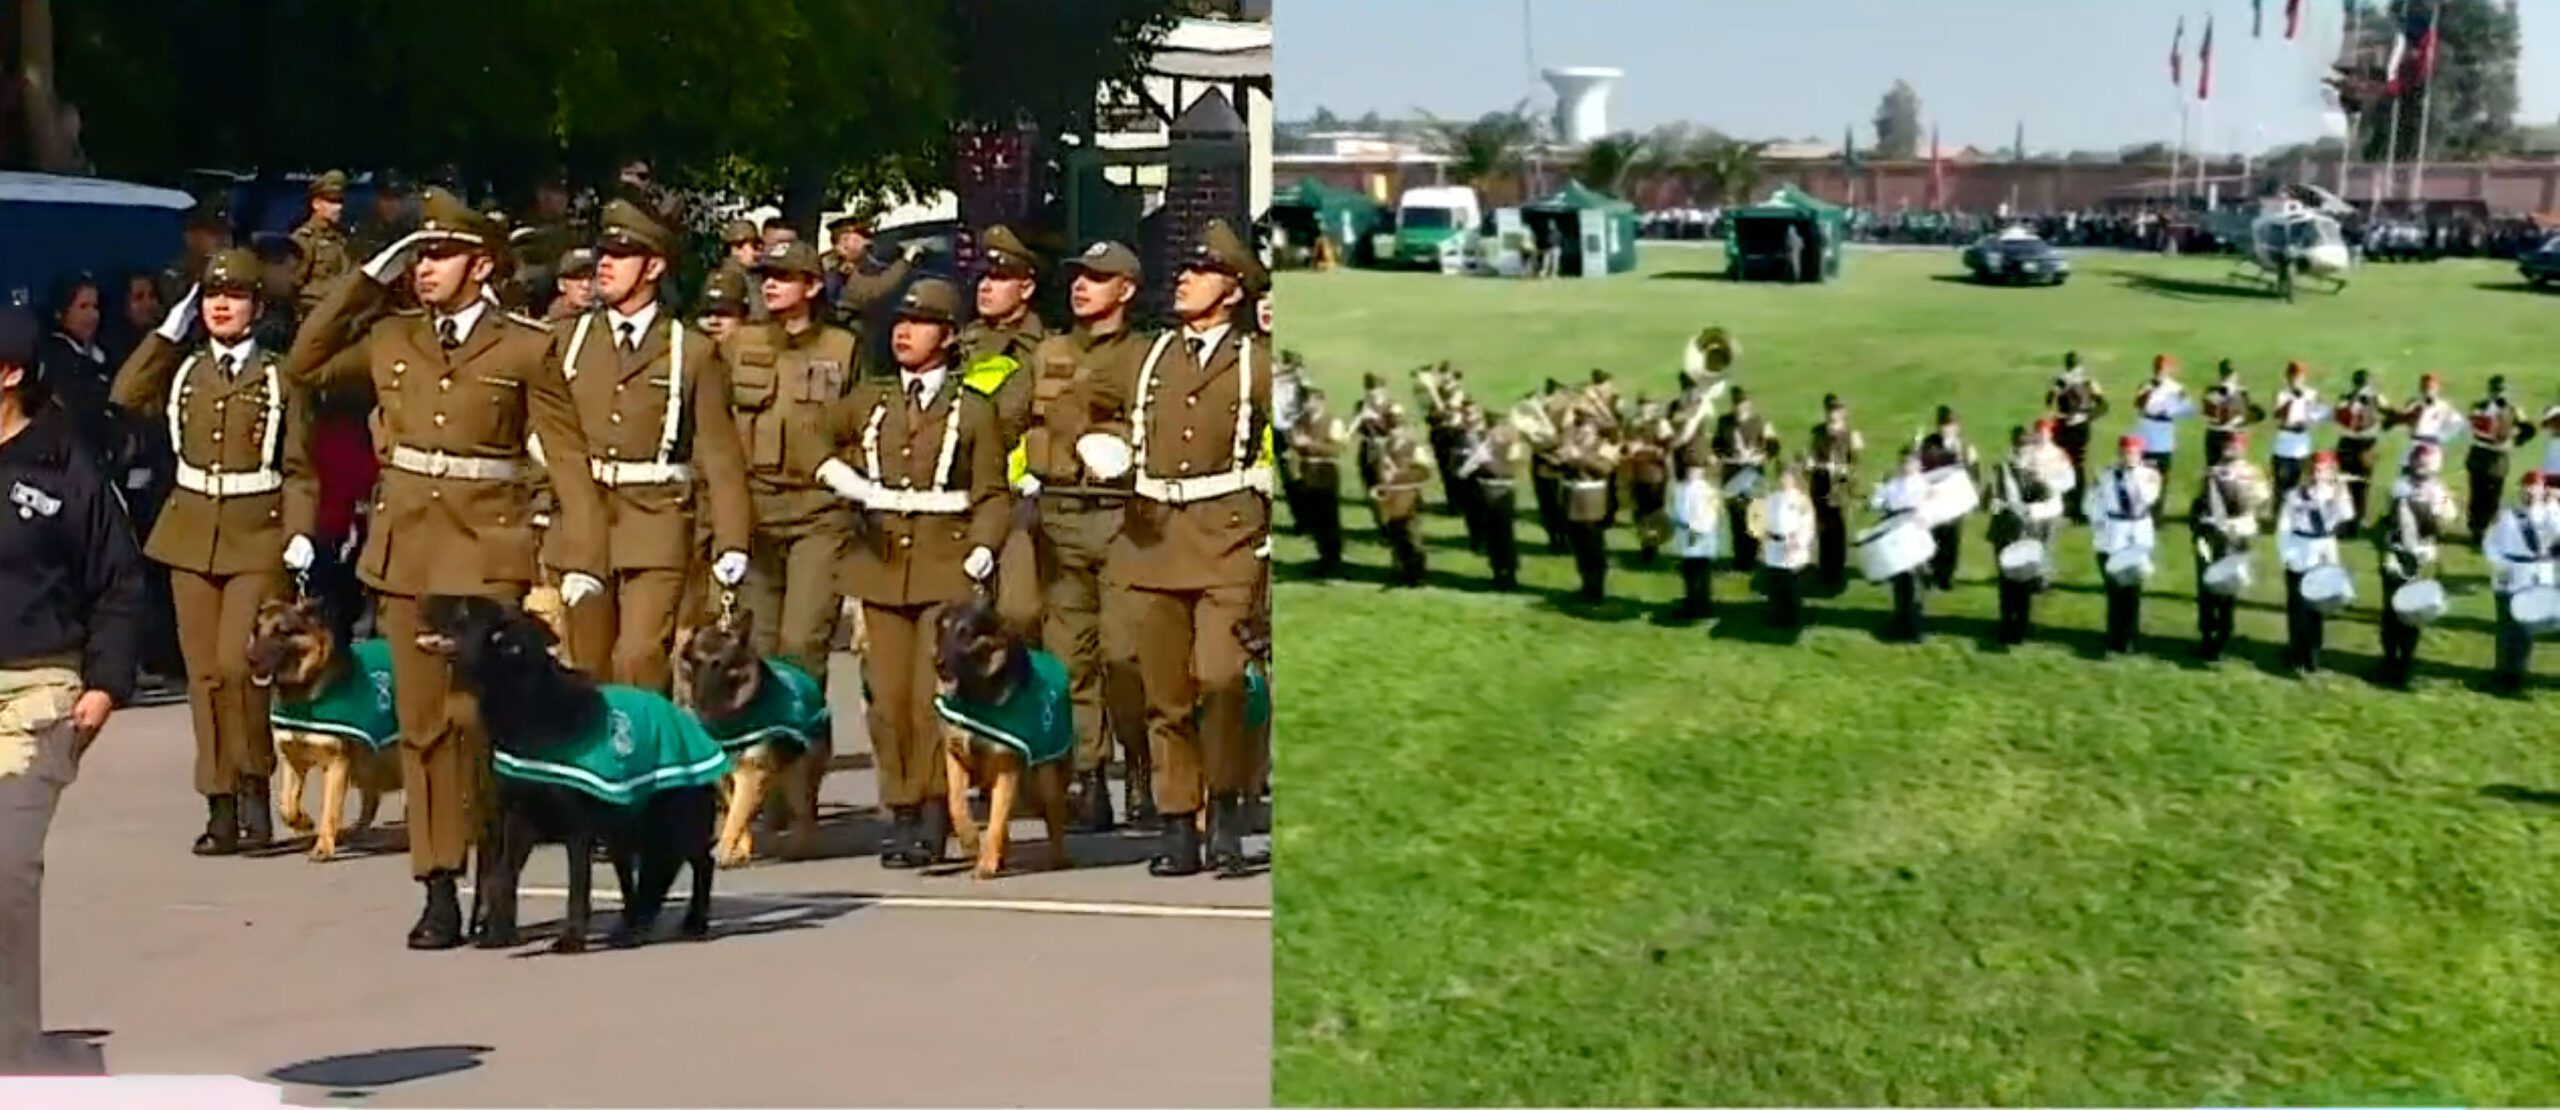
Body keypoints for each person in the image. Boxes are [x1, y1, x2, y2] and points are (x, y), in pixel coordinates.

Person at [285, 187, 609, 949]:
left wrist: (582, 558)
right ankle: (436, 887)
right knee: (425, 728)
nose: (424, 269)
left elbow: (566, 459)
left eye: (438, 254)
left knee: (477, 725)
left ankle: (495, 876)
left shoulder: (526, 346)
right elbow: (305, 361)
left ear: (481, 264)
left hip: (487, 553)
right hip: (405, 553)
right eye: (419, 255)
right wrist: (368, 276)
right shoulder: (394, 337)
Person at [109, 249, 317, 854]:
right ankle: (218, 801)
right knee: (203, 675)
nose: (220, 306)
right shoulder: (184, 370)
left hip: (258, 532)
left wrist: (300, 531)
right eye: (210, 297)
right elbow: (125, 393)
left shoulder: (280, 376)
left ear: (257, 305)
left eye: (235, 296)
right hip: (191, 531)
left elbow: (299, 466)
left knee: (239, 665)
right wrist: (164, 336)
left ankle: (254, 783)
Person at [1086, 220, 1272, 878]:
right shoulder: (1146, 356)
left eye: (1201, 272)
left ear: (1234, 289)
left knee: (1220, 679)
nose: (1185, 281)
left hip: (1227, 538)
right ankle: (1177, 824)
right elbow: (1083, 408)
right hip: (1152, 538)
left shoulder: (1258, 361)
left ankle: (1225, 806)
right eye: (1185, 272)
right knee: (1162, 691)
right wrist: (1095, 450)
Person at [813, 277, 1006, 871]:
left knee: (929, 699)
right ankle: (897, 805)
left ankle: (930, 811)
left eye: (920, 323)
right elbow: (809, 434)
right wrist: (837, 475)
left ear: (947, 338)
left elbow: (992, 491)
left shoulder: (972, 409)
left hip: (943, 560)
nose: (904, 331)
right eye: (900, 321)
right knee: (885, 699)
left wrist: (983, 547)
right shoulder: (872, 399)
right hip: (880, 564)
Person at [0, 304, 142, 1074]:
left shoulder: (64, 467)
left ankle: (15, 1063)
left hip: (36, 695)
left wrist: (106, 684)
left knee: (3, 868)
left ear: (10, 375)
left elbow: (118, 584)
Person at [546, 200, 751, 693]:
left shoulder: (692, 350)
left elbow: (720, 454)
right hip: (581, 520)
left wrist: (733, 538)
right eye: (603, 253)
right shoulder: (565, 340)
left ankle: (641, 762)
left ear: (654, 266)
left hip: (656, 522)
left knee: (639, 658)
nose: (605, 264)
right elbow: (540, 431)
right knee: (585, 664)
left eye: (623, 253)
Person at [1022, 240, 1149, 832]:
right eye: (1078, 277)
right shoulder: (1045, 352)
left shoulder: (1146, 356)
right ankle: (1090, 778)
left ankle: (1144, 764)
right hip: (1059, 514)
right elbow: (1008, 420)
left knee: (1126, 655)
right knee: (1069, 659)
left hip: (1126, 519)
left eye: (1097, 278)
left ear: (1125, 289)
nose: (1081, 287)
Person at [717, 240, 858, 681]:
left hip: (818, 513)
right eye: (765, 278)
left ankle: (804, 746)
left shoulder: (844, 347)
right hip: (753, 510)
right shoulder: (738, 343)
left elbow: (860, 428)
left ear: (813, 286)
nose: (770, 286)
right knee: (755, 646)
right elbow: (714, 428)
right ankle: (761, 749)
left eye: (782, 277)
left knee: (802, 644)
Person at [2376, 443, 2456, 686]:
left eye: (2427, 462)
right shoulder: (2397, 487)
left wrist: (2436, 508)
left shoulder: (2439, 492)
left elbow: (2443, 526)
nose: (2422, 467)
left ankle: (2406, 663)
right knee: (2391, 612)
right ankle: (2389, 660)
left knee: (2413, 612)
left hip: (2422, 556)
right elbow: (2382, 523)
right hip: (2397, 554)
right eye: (2418, 461)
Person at [1988, 422, 2070, 646]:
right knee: (2006, 582)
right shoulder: (2001, 470)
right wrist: (1997, 504)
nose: (2025, 453)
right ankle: (2007, 623)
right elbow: (1990, 500)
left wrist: (2040, 489)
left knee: (2023, 582)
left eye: (2028, 449)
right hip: (2005, 531)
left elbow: (2048, 497)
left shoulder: (2035, 474)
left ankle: (2021, 625)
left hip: (2027, 532)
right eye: (2021, 449)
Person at [2190, 431, 2269, 662]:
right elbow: (2201, 503)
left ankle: (2221, 635)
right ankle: (2210, 635)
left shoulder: (2250, 474)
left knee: (2225, 586)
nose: (2230, 450)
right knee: (2208, 586)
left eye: (2235, 446)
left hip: (2235, 533)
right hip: (2216, 531)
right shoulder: (2213, 473)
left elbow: (2259, 503)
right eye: (2228, 445)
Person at [2276, 452, 2354, 675]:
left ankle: (2313, 654)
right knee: (2297, 608)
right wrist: (2285, 553)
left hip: (2324, 555)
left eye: (2324, 470)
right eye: (2316, 470)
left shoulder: (2335, 494)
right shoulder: (2295, 495)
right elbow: (2284, 526)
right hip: (2299, 552)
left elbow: (2347, 516)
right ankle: (2296, 652)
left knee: (2316, 609)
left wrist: (2341, 490)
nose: (2319, 475)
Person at [2484, 471, 2559, 696]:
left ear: (2542, 489)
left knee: (2524, 629)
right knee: (2505, 626)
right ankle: (2501, 670)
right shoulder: (2506, 515)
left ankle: (2517, 673)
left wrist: (2553, 505)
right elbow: (2490, 543)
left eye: (2534, 487)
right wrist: (2501, 564)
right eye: (2526, 486)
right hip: (2508, 572)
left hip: (2534, 575)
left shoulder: (2550, 515)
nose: (2529, 491)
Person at [2090, 436, 2161, 655]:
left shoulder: (2149, 476)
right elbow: (2093, 502)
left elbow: (2148, 498)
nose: (2127, 457)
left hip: (2138, 530)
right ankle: (2114, 634)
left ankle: (2130, 636)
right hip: (2114, 529)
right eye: (2124, 452)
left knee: (2132, 589)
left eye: (2132, 453)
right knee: (2114, 588)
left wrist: (2133, 476)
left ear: (2140, 455)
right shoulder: (2106, 474)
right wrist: (2098, 525)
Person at [1457, 403, 1524, 591]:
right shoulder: (1484, 439)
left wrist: (1488, 463)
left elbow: (1510, 468)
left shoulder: (1512, 441)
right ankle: (1497, 570)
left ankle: (1509, 573)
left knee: (1504, 535)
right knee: (1492, 536)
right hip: (1484, 490)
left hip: (1501, 490)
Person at [1556, 414, 1619, 604]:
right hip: (1572, 500)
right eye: (1580, 427)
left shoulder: (1605, 447)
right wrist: (1561, 460)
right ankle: (1585, 583)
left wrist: (1580, 458)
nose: (1582, 432)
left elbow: (1605, 469)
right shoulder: (1573, 444)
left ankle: (1596, 589)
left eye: (1587, 428)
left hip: (1592, 502)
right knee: (1579, 547)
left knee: (1593, 547)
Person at [1286, 387, 1348, 579]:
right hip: (1307, 473)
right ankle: (1323, 554)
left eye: (1309, 401)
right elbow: (1294, 443)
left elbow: (1337, 449)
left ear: (1320, 401)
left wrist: (1309, 444)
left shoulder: (1333, 422)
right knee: (1314, 518)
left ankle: (1333, 558)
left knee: (1328, 517)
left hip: (1325, 472)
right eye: (1304, 402)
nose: (1306, 405)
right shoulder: (1300, 421)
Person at [1870, 447, 1930, 643]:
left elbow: (1922, 508)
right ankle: (1900, 621)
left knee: (1915, 587)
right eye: (1903, 463)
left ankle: (1915, 628)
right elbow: (1876, 502)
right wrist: (1881, 498)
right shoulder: (1894, 484)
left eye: (1910, 463)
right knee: (1900, 585)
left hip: (1915, 541)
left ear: (1918, 465)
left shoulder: (1923, 485)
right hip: (1896, 542)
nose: (1906, 467)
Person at [1713, 388, 1775, 573]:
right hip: (1732, 475)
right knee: (1737, 519)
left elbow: (1773, 447)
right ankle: (1740, 559)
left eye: (1742, 405)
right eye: (1736, 405)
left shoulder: (1759, 422)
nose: (1739, 409)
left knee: (1755, 518)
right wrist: (1727, 458)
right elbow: (1716, 446)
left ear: (1748, 405)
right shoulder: (1724, 422)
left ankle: (1754, 557)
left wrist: (1759, 456)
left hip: (1754, 475)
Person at [2465, 375, 2533, 543]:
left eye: (2501, 391)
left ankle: (2489, 530)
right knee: (2477, 495)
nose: (2498, 394)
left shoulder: (2513, 410)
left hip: (2498, 460)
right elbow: (2476, 426)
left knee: (2493, 497)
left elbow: (2529, 429)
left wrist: (2516, 441)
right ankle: (2477, 530)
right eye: (2495, 390)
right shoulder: (2479, 407)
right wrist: (2492, 409)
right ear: (2489, 391)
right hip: (2480, 457)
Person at [1916, 405, 1977, 591]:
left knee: (1952, 539)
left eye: (1950, 425)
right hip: (1934, 499)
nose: (1946, 429)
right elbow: (1920, 467)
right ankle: (1933, 572)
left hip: (1954, 501)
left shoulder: (1964, 446)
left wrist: (1971, 501)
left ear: (1957, 426)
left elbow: (1974, 474)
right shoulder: (1929, 444)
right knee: (1934, 537)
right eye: (1943, 425)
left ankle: (1947, 575)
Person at [1807, 394, 1863, 591]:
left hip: (1840, 488)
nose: (1834, 414)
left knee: (1838, 530)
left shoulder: (1851, 435)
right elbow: (1811, 457)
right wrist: (1816, 466)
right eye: (1831, 410)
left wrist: (1842, 470)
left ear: (1843, 412)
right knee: (1823, 529)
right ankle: (1825, 569)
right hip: (1821, 486)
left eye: (1837, 410)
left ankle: (1837, 570)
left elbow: (1855, 464)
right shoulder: (1817, 433)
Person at [2045, 352, 2107, 521]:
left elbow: (2103, 406)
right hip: (2062, 428)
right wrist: (2057, 388)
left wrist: (2085, 416)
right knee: (2061, 465)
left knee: (2078, 467)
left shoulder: (2089, 383)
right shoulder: (2061, 382)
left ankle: (2077, 507)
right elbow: (2049, 401)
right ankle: (2062, 503)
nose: (2075, 370)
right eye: (2072, 367)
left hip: (2080, 429)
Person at [1370, 423, 1432, 587]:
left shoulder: (1415, 449)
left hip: (1409, 496)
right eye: (1391, 428)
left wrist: (1400, 475)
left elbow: (1425, 473)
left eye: (1397, 428)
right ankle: (1400, 569)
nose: (1393, 432)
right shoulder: (1384, 448)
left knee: (1411, 537)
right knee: (1396, 536)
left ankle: (1417, 574)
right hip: (1391, 498)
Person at [1760, 461, 1817, 629]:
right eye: (1781, 477)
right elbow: (1765, 520)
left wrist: (1798, 542)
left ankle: (1793, 618)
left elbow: (1807, 524)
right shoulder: (1772, 498)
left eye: (1787, 477)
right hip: (1774, 546)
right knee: (1775, 584)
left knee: (1791, 586)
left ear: (1794, 479)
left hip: (1792, 546)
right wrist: (1764, 539)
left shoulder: (1801, 500)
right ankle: (1777, 616)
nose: (1783, 480)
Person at [288, 171, 353, 317]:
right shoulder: (304, 239)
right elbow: (293, 286)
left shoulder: (342, 238)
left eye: (340, 202)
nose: (338, 208)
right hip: (314, 314)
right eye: (331, 202)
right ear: (316, 204)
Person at [2331, 368, 2387, 534]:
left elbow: (2388, 414)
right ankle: (2349, 519)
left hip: (2365, 445)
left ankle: (2358, 519)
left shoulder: (2376, 399)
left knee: (2361, 484)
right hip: (2350, 444)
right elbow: (2344, 417)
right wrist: (2355, 402)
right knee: (2347, 484)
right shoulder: (2347, 399)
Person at [2131, 355, 2189, 503]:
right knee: (2142, 476)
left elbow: (2185, 409)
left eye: (2162, 368)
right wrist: (2152, 390)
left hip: (2164, 439)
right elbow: (2138, 404)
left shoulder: (2177, 388)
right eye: (2157, 368)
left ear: (2169, 369)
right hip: (2146, 437)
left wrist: (2171, 408)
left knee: (2161, 478)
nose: (2159, 371)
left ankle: (2157, 512)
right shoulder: (2146, 385)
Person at [2197, 359, 2263, 479]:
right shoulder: (2213, 391)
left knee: (2233, 472)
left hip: (2233, 435)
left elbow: (2249, 413)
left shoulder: (2242, 392)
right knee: (2214, 472)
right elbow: (2209, 413)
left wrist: (2245, 417)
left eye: (2231, 373)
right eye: (2227, 374)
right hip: (2217, 434)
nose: (2230, 377)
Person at [2267, 360, 2322, 505]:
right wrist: (2292, 399)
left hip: (2302, 446)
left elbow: (2316, 414)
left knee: (2299, 487)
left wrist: (2309, 415)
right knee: (2280, 486)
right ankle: (2277, 517)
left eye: (2299, 377)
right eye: (2293, 377)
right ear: (2287, 377)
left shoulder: (2311, 394)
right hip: (2284, 446)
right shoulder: (2281, 395)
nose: (2296, 380)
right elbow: (2277, 416)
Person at [542, 247, 598, 325]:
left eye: (592, 277)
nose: (586, 285)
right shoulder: (547, 326)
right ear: (561, 284)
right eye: (577, 277)